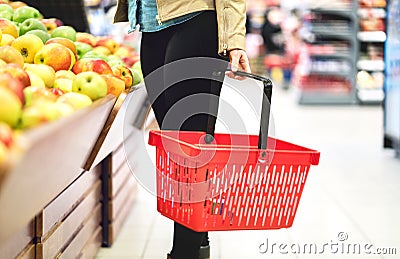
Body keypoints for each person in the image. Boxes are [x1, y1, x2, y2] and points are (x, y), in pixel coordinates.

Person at [114, 1, 251, 258]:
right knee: (176, 154)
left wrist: (234, 38)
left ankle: (184, 252)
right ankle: (198, 245)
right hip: (150, 27)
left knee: (190, 151)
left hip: (195, 21)